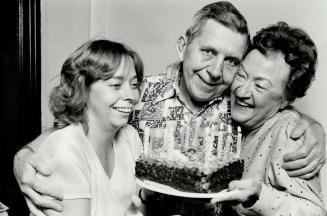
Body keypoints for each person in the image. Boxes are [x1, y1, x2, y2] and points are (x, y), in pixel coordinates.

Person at [14, 1, 325, 216]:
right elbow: (73, 128)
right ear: (182, 46)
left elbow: (273, 107)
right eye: (207, 51)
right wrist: (26, 156)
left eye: (231, 61)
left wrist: (312, 128)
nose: (216, 71)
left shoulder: (239, 102)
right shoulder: (138, 93)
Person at [18, 39, 145, 216]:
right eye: (116, 85)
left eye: (134, 85)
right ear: (82, 87)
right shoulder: (65, 150)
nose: (131, 95)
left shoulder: (130, 137)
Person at [211, 22, 326, 215]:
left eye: (260, 86)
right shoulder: (224, 109)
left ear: (286, 99)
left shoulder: (290, 134)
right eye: (241, 75)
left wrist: (260, 196)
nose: (242, 91)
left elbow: (314, 212)